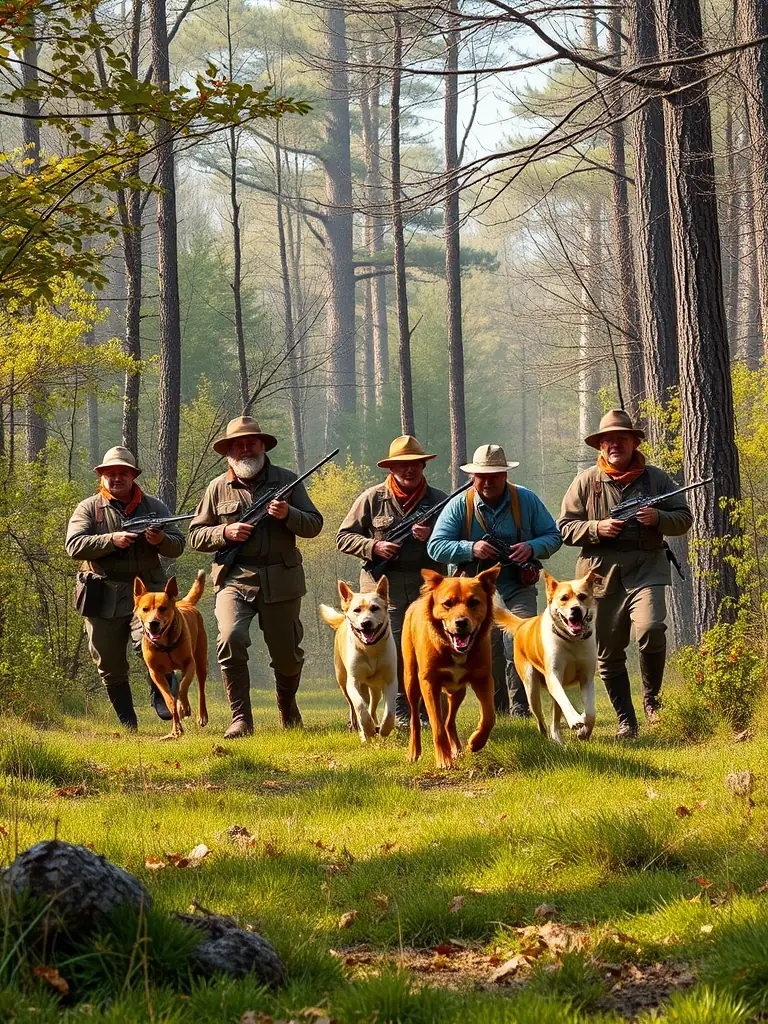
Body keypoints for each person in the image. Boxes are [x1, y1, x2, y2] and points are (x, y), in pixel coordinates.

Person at [557, 409, 693, 738]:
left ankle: (652, 703)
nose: (614, 445)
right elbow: (563, 528)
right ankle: (625, 720)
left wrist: (658, 518)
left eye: (621, 439)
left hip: (647, 566)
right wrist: (597, 528)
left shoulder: (655, 478)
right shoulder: (586, 482)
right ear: (600, 446)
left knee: (650, 628)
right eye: (608, 440)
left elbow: (684, 517)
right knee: (607, 651)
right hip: (598, 576)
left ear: (633, 442)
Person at [188, 416, 322, 738]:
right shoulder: (216, 488)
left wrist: (289, 514)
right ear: (229, 452)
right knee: (230, 637)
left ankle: (287, 706)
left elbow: (315, 524)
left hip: (282, 577)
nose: (245, 449)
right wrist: (225, 531)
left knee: (287, 654)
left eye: (251, 443)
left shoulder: (288, 481)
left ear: (262, 445)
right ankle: (240, 719)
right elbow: (195, 535)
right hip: (236, 577)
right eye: (238, 445)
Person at [428, 444, 562, 717]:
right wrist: (470, 549)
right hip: (475, 593)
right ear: (473, 477)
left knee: (519, 640)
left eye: (495, 475)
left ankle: (522, 709)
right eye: (482, 476)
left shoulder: (526, 500)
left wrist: (532, 547)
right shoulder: (459, 505)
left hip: (517, 585)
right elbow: (435, 546)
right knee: (489, 648)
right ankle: (498, 711)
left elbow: (554, 536)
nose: (488, 482)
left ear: (505, 475)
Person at [66, 446, 185, 730]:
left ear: (133, 476)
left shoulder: (155, 507)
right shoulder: (88, 507)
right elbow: (73, 545)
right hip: (101, 594)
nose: (116, 478)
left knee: (153, 644)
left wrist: (159, 541)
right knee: (108, 662)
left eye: (123, 473)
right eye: (110, 473)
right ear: (102, 476)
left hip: (147, 596)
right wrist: (110, 540)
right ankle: (127, 721)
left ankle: (163, 694)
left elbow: (178, 543)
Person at [336, 435, 448, 727]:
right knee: (393, 647)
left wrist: (432, 535)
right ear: (391, 468)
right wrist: (374, 548)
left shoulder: (440, 500)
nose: (408, 470)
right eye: (400, 465)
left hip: (427, 586)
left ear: (423, 465)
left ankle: (426, 710)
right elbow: (343, 537)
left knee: (430, 646)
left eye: (414, 464)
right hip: (380, 590)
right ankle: (399, 712)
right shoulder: (371, 498)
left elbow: (455, 539)